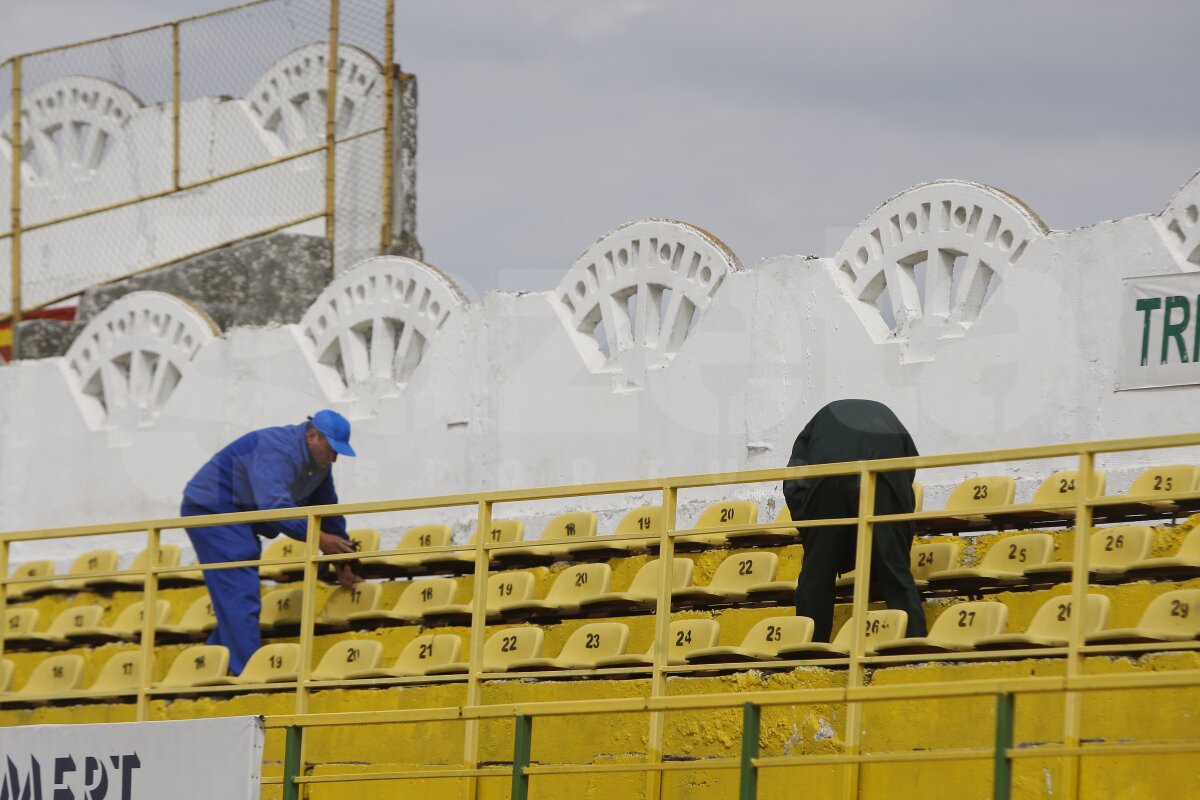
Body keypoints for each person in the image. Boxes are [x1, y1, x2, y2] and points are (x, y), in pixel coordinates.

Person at [180, 410, 362, 674]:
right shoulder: (277, 450)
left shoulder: (320, 465)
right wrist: (320, 540)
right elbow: (274, 509)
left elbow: (327, 510)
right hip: (212, 508)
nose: (334, 458)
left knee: (236, 590)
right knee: (240, 585)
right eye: (332, 449)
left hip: (240, 514)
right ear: (312, 435)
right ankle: (248, 676)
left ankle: (212, 668)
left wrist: (344, 561)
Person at [783, 399, 927, 642]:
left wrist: (811, 535)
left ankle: (809, 650)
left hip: (827, 471)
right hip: (884, 467)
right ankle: (914, 644)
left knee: (817, 571)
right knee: (894, 565)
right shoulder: (887, 416)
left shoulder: (812, 428)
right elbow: (906, 479)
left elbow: (794, 485)